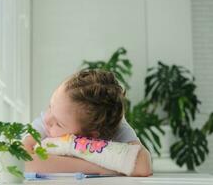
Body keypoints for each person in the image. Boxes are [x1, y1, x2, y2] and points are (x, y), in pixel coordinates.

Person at [23, 69, 152, 176]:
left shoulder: (115, 125)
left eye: (59, 124)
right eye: (50, 106)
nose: (47, 119)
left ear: (92, 134)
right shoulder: (51, 118)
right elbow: (21, 160)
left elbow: (143, 165)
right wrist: (105, 168)